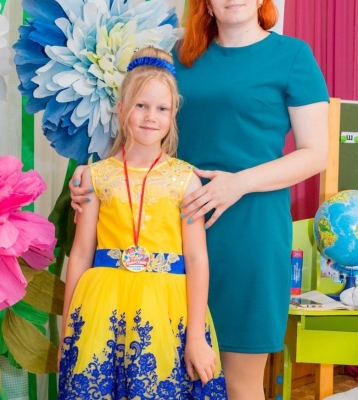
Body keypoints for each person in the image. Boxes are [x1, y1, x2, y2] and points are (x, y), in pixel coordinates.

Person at [70, 1, 330, 399]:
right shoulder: (176, 57)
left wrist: (237, 184)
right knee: (167, 378)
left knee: (240, 381)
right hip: (169, 238)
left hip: (249, 233)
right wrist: (92, 176)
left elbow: (315, 154)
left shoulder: (292, 56)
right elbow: (142, 126)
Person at [59, 47, 228, 399]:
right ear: (121, 109)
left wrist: (195, 337)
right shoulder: (94, 176)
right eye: (141, 105)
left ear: (173, 114)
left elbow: (196, 258)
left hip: (166, 313)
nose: (151, 117)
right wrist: (68, 330)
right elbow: (81, 254)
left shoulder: (186, 180)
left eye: (162, 109)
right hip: (102, 310)